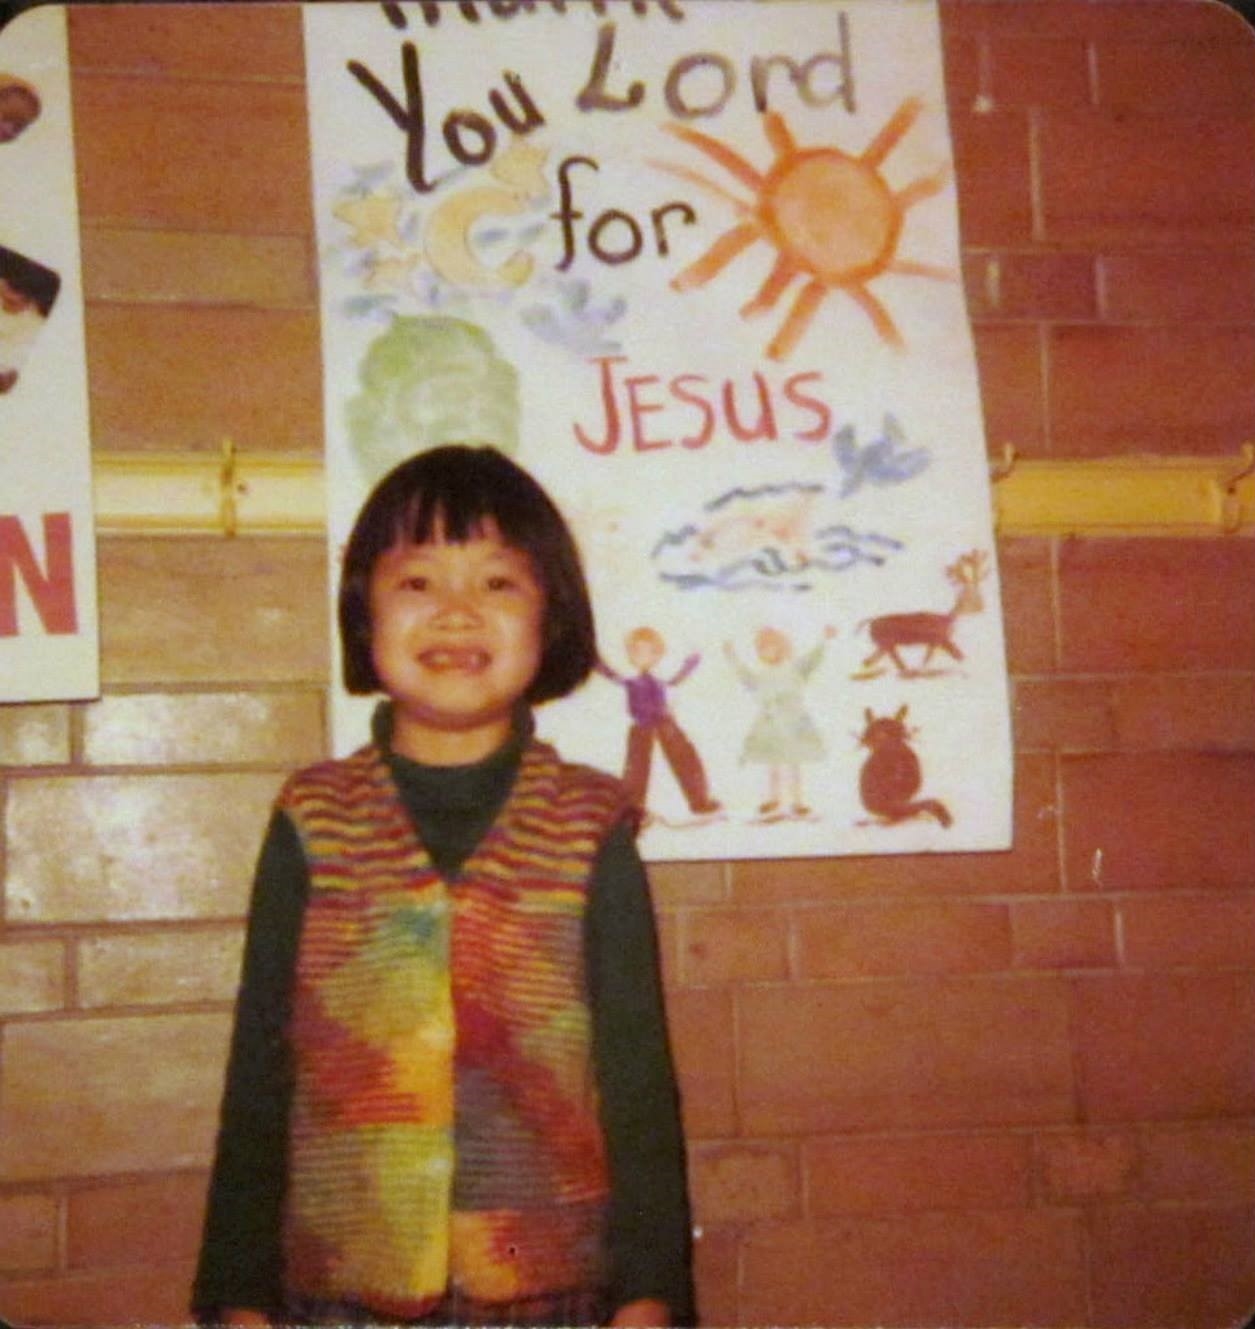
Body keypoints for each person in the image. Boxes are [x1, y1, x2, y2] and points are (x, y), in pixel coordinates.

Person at [192, 445, 693, 1327]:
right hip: (338, 1292)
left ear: (552, 618)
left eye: (498, 583)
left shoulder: (590, 825)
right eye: (417, 581)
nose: (457, 612)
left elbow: (639, 1083)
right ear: (364, 614)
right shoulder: (312, 818)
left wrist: (651, 1293)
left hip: (550, 1294)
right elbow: (259, 1072)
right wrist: (235, 1292)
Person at [596, 628, 720, 825]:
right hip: (641, 725)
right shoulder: (631, 680)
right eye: (637, 651)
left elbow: (679, 677)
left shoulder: (661, 679)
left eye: (650, 651)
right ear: (630, 655)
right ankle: (633, 809)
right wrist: (594, 659)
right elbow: (608, 673)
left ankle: (699, 801)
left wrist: (693, 658)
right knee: (636, 768)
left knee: (684, 757)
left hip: (664, 723)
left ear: (658, 654)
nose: (644, 657)